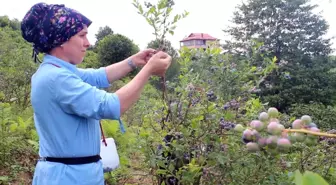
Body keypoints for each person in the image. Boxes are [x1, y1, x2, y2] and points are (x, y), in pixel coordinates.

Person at [20, 2, 172, 185]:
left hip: (73, 173)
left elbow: (99, 76)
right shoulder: (56, 78)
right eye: (82, 35)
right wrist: (148, 70)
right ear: (61, 40)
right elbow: (112, 106)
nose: (88, 43)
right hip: (68, 177)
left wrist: (134, 61)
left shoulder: (56, 71)